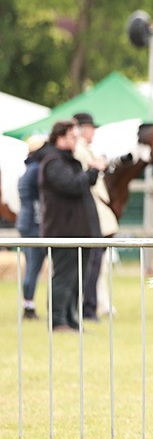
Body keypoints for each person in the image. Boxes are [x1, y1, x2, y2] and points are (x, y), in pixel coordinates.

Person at [39, 120, 106, 331]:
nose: (76, 141)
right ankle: (58, 321)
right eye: (72, 136)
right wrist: (92, 171)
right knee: (65, 277)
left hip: (77, 231)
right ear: (60, 137)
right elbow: (73, 185)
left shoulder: (65, 160)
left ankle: (71, 319)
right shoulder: (53, 162)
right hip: (64, 231)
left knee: (78, 279)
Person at [73, 112, 119, 319]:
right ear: (83, 129)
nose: (94, 133)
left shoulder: (86, 150)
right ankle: (89, 307)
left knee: (96, 264)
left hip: (98, 211)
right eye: (91, 128)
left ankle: (92, 305)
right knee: (93, 264)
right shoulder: (81, 151)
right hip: (92, 212)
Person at [17, 134, 51, 320]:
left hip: (26, 222)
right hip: (34, 224)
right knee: (33, 267)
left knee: (32, 266)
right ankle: (28, 307)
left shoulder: (28, 169)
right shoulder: (37, 169)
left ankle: (28, 304)